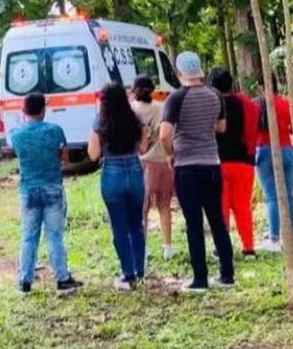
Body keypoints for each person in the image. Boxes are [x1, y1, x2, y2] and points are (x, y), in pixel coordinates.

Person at [160, 52, 235, 293]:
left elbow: (164, 134)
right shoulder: (214, 95)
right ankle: (227, 274)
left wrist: (170, 154)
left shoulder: (176, 98)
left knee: (194, 223)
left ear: (180, 72)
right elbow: (222, 127)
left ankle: (200, 278)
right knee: (217, 220)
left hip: (187, 166)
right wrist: (204, 125)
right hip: (212, 163)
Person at [10, 92, 83, 295]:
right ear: (44, 110)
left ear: (24, 111)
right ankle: (62, 278)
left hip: (28, 190)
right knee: (55, 235)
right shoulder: (55, 131)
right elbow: (64, 157)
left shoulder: (17, 135)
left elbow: (17, 152)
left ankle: (25, 281)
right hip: (52, 187)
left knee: (28, 236)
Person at [88, 82, 149, 291]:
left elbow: (93, 154)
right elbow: (143, 147)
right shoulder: (135, 119)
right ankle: (140, 271)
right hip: (134, 169)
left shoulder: (100, 121)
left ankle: (128, 273)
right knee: (136, 225)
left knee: (119, 227)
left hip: (112, 173)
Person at [207, 68, 259, 258]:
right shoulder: (245, 103)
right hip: (244, 162)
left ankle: (221, 248)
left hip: (218, 162)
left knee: (220, 207)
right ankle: (248, 247)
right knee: (243, 206)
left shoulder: (212, 105)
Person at [130, 75, 175, 261]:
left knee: (142, 209)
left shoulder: (131, 110)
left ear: (134, 91)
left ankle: (143, 247)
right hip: (163, 162)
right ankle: (168, 247)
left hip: (141, 163)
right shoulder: (162, 107)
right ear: (153, 89)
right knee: (164, 206)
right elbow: (168, 133)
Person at [254, 81, 293, 252]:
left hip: (264, 151)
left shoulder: (256, 105)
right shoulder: (287, 103)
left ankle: (274, 237)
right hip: (286, 150)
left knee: (272, 197)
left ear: (261, 87)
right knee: (288, 195)